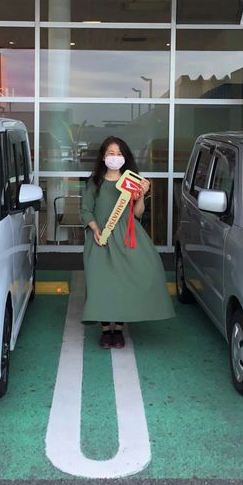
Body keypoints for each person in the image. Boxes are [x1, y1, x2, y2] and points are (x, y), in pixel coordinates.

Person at [80, 136, 175, 349]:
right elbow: (85, 210)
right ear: (103, 156)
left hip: (127, 237)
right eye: (111, 153)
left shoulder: (132, 181)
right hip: (101, 238)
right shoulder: (95, 181)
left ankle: (119, 330)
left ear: (126, 157)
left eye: (119, 153)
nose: (115, 157)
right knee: (101, 283)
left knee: (125, 282)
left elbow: (138, 213)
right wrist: (95, 229)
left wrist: (141, 196)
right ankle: (106, 330)